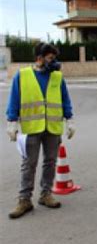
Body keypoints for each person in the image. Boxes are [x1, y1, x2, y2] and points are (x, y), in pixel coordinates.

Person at [6, 42, 75, 219]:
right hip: (31, 128)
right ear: (39, 58)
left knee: (50, 162)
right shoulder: (22, 76)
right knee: (29, 164)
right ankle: (24, 199)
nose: (54, 62)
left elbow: (64, 99)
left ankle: (46, 194)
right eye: (51, 58)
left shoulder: (57, 77)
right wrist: (11, 122)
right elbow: (14, 99)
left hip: (52, 127)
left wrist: (70, 119)